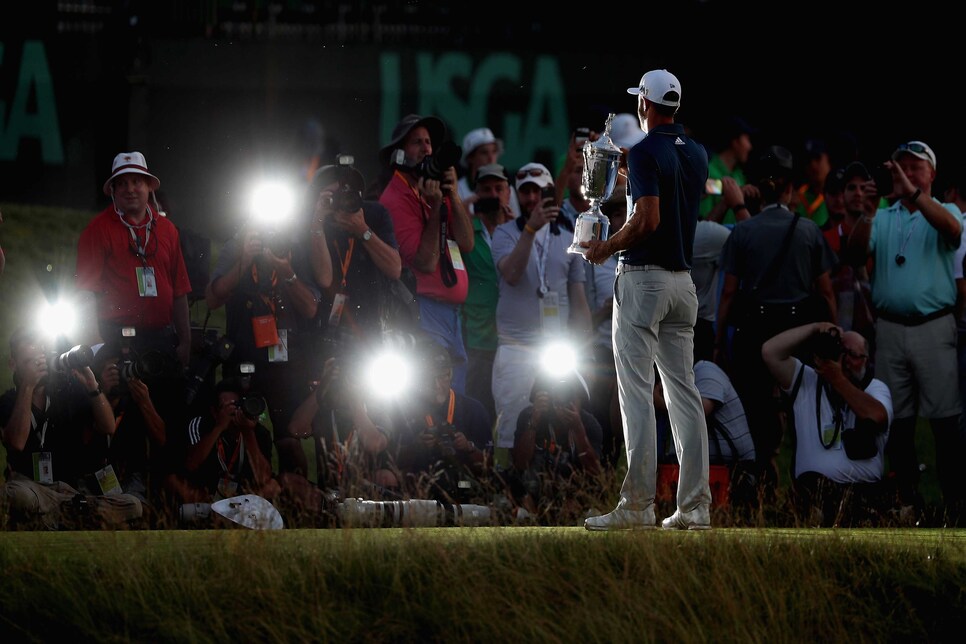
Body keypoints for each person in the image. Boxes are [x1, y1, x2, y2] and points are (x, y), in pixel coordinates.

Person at [582, 69, 712, 531]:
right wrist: (632, 173)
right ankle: (695, 508)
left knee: (636, 393)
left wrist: (605, 245)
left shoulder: (642, 152)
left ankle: (637, 506)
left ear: (645, 105)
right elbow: (668, 187)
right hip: (683, 285)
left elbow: (649, 218)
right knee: (684, 395)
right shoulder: (697, 152)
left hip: (643, 281)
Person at [847, 140, 966, 525]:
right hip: (892, 329)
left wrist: (914, 193)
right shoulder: (883, 215)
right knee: (897, 422)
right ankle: (906, 504)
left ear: (931, 174)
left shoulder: (946, 210)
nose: (905, 173)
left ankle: (954, 506)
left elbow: (952, 232)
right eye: (900, 166)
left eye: (915, 167)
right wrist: (866, 214)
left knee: (945, 422)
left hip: (933, 327)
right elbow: (853, 257)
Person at [714, 145, 838, 500]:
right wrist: (833, 334)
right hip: (798, 335)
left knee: (754, 416)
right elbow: (826, 293)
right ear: (789, 189)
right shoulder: (810, 231)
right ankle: (807, 494)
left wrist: (721, 342)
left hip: (754, 333)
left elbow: (728, 295)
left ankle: (757, 492)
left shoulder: (743, 232)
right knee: (806, 415)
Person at [205, 191, 322, 476]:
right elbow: (213, 297)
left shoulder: (296, 248)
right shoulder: (239, 244)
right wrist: (244, 259)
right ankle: (246, 493)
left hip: (286, 364)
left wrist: (288, 272)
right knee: (241, 429)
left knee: (289, 438)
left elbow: (310, 308)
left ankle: (295, 502)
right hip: (244, 358)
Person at [490, 162, 592, 463]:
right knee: (511, 426)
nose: (532, 198)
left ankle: (550, 490)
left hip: (556, 350)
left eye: (538, 191)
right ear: (517, 196)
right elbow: (511, 273)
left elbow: (578, 296)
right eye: (525, 192)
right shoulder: (505, 233)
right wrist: (530, 229)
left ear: (549, 192)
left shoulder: (569, 234)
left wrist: (585, 351)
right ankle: (506, 491)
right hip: (515, 348)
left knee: (559, 423)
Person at [0, 326, 143, 529]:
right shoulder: (9, 401)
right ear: (13, 364)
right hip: (32, 489)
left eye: (40, 359)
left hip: (68, 493)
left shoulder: (64, 393)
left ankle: (56, 518)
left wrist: (92, 386)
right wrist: (28, 386)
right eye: (30, 362)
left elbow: (108, 426)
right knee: (14, 495)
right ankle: (68, 520)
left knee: (132, 505)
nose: (39, 366)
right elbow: (16, 442)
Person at [378, 113, 475, 394]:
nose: (426, 149)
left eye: (429, 142)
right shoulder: (394, 198)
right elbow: (425, 261)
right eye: (416, 143)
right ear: (399, 153)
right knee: (435, 390)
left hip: (452, 314)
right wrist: (435, 213)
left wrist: (452, 195)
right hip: (423, 309)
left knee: (456, 389)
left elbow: (467, 243)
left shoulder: (434, 189)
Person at [762, 323, 893, 526]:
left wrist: (837, 379)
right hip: (814, 493)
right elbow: (771, 352)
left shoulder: (875, 388)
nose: (846, 361)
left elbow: (876, 415)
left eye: (854, 355)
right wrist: (815, 329)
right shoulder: (807, 380)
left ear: (867, 361)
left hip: (862, 494)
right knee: (809, 488)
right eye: (842, 352)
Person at [75, 152, 193, 369]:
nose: (129, 189)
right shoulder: (97, 230)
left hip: (160, 337)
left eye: (136, 181)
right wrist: (95, 345)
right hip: (114, 338)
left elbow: (179, 290)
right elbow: (85, 293)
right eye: (121, 183)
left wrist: (185, 341)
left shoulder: (168, 230)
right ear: (113, 191)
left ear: (149, 186)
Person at [306, 161, 405, 347]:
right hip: (326, 331)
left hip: (373, 324)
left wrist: (363, 230)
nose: (343, 200)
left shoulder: (373, 213)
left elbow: (395, 269)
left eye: (348, 192)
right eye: (334, 196)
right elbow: (324, 279)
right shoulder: (314, 222)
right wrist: (318, 222)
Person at [388, 338, 492, 505]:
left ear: (450, 374)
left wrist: (468, 447)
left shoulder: (473, 409)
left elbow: (491, 467)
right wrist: (416, 446)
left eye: (442, 377)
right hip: (418, 490)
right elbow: (392, 461)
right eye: (428, 378)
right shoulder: (403, 409)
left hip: (463, 489)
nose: (436, 385)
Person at [163, 377, 281, 508]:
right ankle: (212, 512)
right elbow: (191, 464)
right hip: (207, 492)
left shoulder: (258, 431)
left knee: (273, 486)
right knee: (172, 480)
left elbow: (263, 478)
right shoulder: (201, 425)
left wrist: (248, 433)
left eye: (236, 405)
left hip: (242, 495)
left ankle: (238, 512)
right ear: (214, 412)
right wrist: (219, 427)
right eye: (226, 407)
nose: (233, 411)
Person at [510, 368, 603, 523]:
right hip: (535, 495)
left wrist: (578, 429)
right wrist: (534, 422)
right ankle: (529, 514)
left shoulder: (588, 424)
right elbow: (520, 464)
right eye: (556, 397)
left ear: (581, 400)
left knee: (593, 510)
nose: (562, 403)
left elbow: (595, 472)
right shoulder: (530, 416)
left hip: (575, 498)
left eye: (569, 397)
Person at [462, 163, 515, 422]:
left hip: (514, 339)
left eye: (498, 189)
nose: (493, 195)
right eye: (486, 190)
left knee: (513, 413)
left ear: (508, 193)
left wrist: (519, 230)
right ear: (477, 195)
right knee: (478, 412)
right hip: (478, 339)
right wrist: (462, 211)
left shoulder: (520, 232)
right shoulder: (466, 233)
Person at [699, 115, 759, 224]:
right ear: (735, 141)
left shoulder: (739, 175)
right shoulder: (708, 172)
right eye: (747, 139)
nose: (750, 146)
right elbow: (704, 223)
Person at [457, 126, 522, 218]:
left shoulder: (507, 189)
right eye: (484, 153)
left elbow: (517, 226)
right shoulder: (456, 190)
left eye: (494, 151)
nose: (491, 158)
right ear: (470, 158)